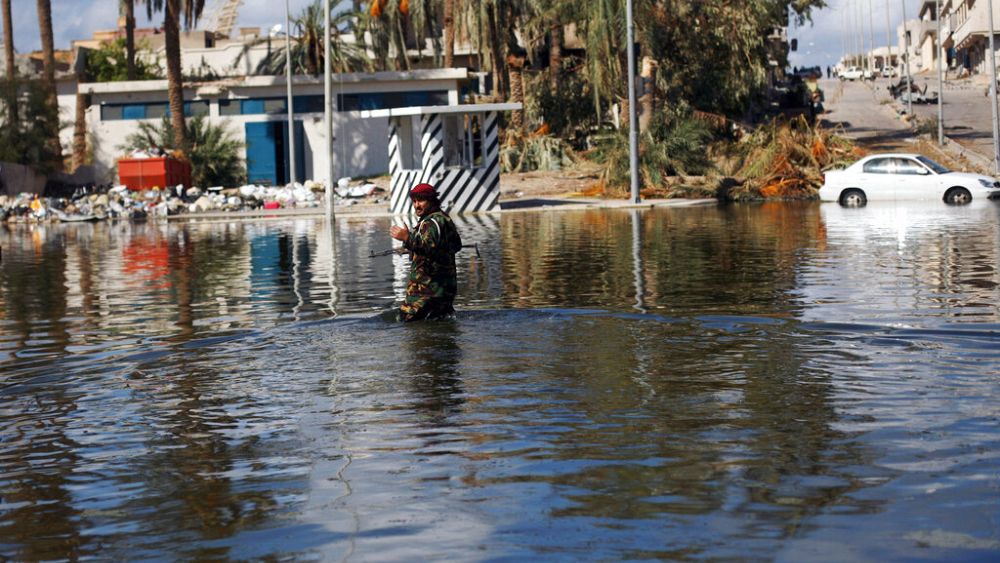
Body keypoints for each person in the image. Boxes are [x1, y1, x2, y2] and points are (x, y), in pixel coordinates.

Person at [389, 183, 463, 322]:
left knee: (406, 324)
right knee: (439, 332)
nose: (417, 205)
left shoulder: (431, 223)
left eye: (421, 200)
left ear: (432, 200)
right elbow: (456, 246)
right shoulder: (444, 219)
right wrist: (412, 243)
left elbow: (428, 247)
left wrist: (407, 238)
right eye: (414, 201)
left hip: (425, 293)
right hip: (444, 290)